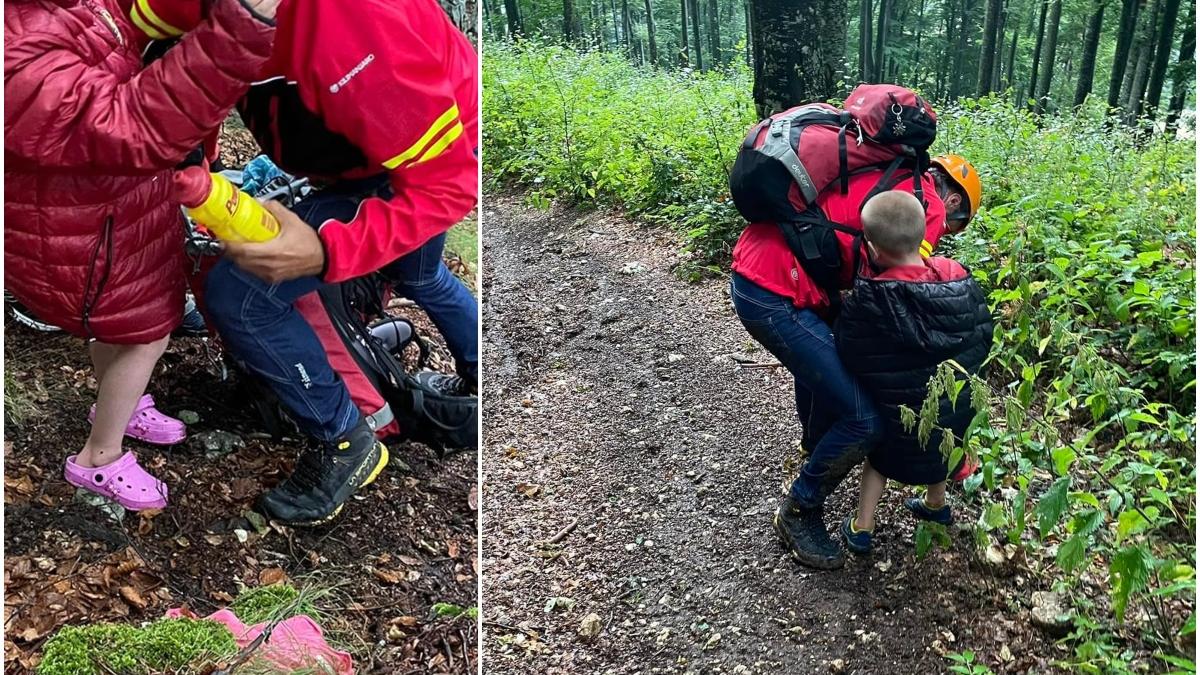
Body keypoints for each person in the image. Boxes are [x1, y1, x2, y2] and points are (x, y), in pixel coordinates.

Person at [134, 0, 479, 525]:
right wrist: (199, 159)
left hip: (420, 160)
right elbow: (176, 58)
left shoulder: (355, 25)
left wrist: (327, 250)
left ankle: (348, 440)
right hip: (348, 157)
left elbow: (449, 185)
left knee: (408, 275)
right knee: (409, 274)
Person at [4, 0, 277, 510]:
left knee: (114, 323)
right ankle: (98, 459)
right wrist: (241, 27)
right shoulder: (17, 48)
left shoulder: (67, 7)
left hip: (110, 211)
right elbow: (127, 126)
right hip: (78, 227)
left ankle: (117, 406)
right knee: (145, 333)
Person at [729, 154, 982, 569]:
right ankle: (799, 510)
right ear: (953, 201)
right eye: (955, 227)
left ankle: (817, 446)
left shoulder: (888, 174)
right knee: (864, 418)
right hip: (774, 289)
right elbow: (900, 300)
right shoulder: (925, 207)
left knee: (826, 371)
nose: (944, 237)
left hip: (766, 266)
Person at [832, 191, 993, 554]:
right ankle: (936, 506)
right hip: (955, 411)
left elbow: (849, 350)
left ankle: (862, 527)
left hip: (898, 423)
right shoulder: (958, 280)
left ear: (872, 248)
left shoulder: (869, 298)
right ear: (924, 235)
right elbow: (985, 332)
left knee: (878, 462)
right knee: (941, 444)